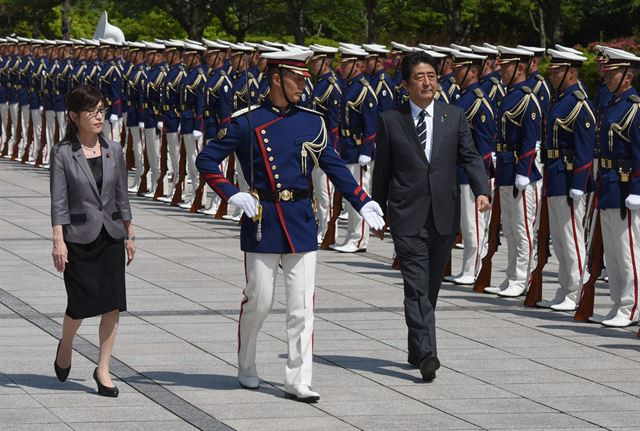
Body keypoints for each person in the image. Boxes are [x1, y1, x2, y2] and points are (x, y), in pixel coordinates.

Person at [196, 49, 384, 402]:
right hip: (262, 219)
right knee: (260, 300)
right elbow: (206, 160)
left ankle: (298, 378)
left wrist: (363, 199)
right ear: (276, 78)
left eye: (305, 79)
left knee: (302, 306)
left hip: (299, 218)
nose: (303, 85)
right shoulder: (246, 121)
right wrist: (232, 194)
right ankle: (247, 365)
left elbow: (333, 167)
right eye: (297, 78)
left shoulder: (312, 121)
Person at [372, 51, 490, 381]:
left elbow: (471, 156)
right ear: (406, 85)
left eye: (432, 76)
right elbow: (381, 170)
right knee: (416, 289)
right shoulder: (391, 119)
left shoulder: (453, 116)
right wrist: (377, 211)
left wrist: (482, 190)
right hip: (406, 214)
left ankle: (415, 345)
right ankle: (428, 353)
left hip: (442, 214)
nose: (427, 82)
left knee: (431, 288)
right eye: (420, 77)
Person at [50, 84, 135, 397]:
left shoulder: (113, 149)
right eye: (91, 111)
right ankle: (67, 343)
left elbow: (122, 196)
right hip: (79, 238)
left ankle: (103, 368)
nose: (99, 116)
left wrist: (130, 232)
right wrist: (58, 241)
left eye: (102, 110)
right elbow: (58, 202)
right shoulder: (62, 153)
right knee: (80, 304)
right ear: (74, 116)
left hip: (111, 234)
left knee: (112, 304)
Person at [537, 49, 595, 311]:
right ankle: (564, 289)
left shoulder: (579, 103)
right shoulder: (560, 100)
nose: (552, 74)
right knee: (559, 240)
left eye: (557, 71)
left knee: (571, 237)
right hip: (555, 175)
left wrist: (578, 184)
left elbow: (585, 150)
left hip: (569, 177)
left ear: (571, 73)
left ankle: (575, 292)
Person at [484, 46, 542, 298]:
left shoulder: (528, 98)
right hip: (506, 169)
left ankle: (522, 277)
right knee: (508, 228)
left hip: (522, 174)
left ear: (519, 68)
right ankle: (510, 277)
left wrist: (523, 172)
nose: (501, 70)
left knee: (522, 229)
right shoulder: (508, 96)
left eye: (505, 66)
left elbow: (530, 140)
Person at [589, 48, 640, 327]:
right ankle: (619, 302)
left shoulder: (634, 108)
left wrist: (637, 189)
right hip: (608, 184)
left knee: (627, 250)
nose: (606, 77)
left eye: (612, 73)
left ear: (627, 76)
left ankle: (631, 306)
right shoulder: (611, 104)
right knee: (612, 251)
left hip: (624, 189)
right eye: (606, 72)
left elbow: (639, 153)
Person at [444, 50, 495, 285]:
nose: (455, 72)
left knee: (474, 224)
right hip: (458, 170)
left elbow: (484, 147)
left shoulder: (478, 101)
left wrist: (481, 181)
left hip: (471, 173)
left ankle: (473, 268)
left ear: (473, 72)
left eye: (461, 69)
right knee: (466, 224)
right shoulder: (463, 97)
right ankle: (467, 266)